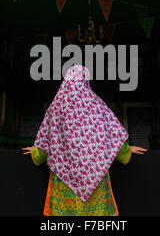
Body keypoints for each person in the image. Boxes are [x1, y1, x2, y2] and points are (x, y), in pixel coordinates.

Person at [23, 65, 147, 216]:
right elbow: (111, 138)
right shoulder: (98, 105)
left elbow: (43, 148)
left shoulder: (56, 108)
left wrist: (35, 152)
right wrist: (127, 151)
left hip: (64, 183)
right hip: (96, 183)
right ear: (86, 81)